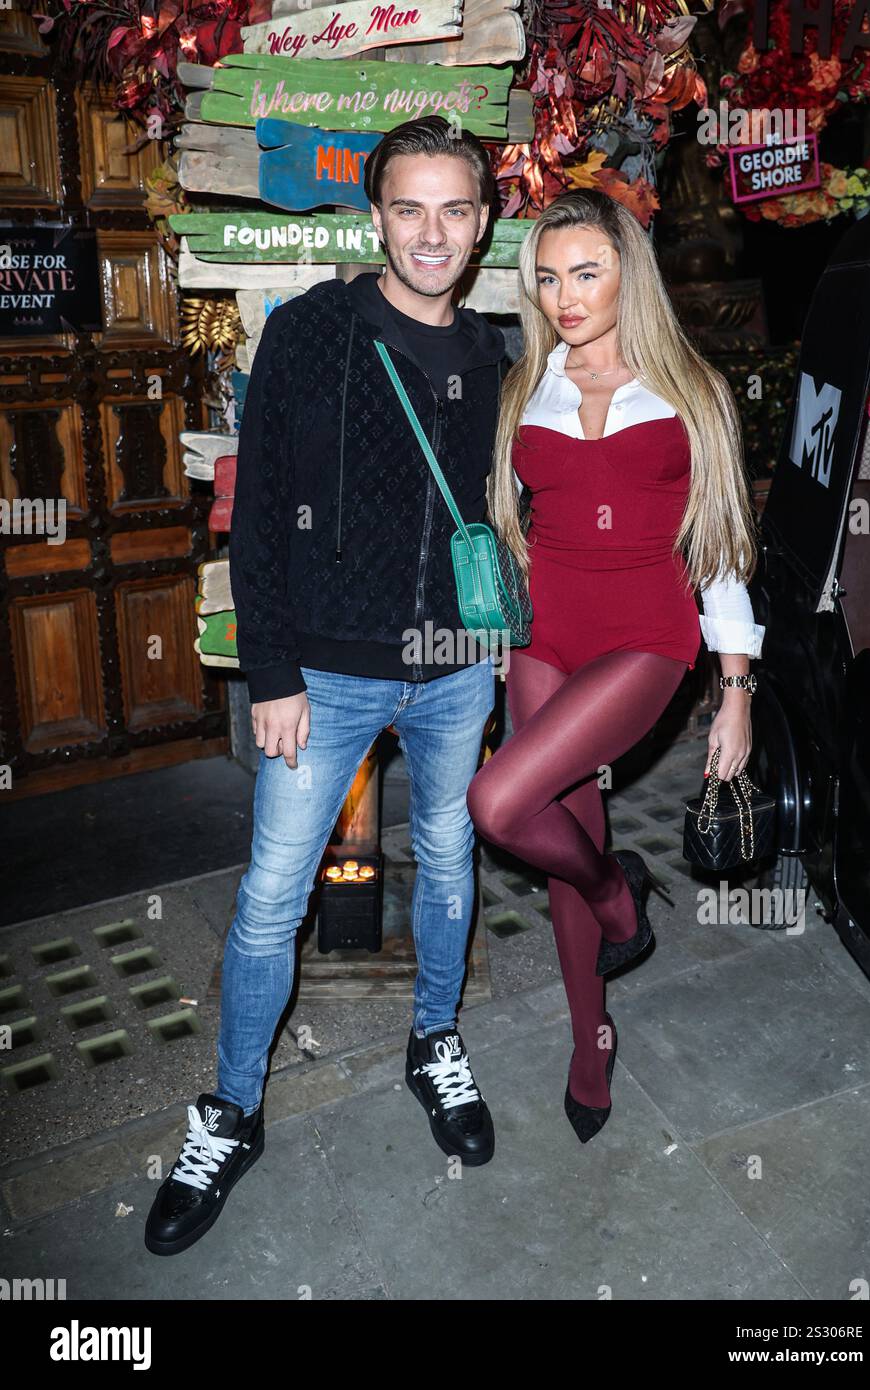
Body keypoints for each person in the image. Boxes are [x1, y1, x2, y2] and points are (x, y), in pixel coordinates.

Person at [145, 116, 507, 1257]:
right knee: (268, 900)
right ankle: (233, 1109)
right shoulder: (307, 335)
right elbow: (256, 522)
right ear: (375, 217)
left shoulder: (505, 350)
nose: (432, 232)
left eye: (455, 208)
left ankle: (432, 1040)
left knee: (450, 856)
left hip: (455, 674)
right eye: (409, 207)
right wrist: (274, 670)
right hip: (326, 679)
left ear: (484, 220)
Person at [466, 189, 765, 1144]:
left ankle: (610, 891)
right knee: (559, 828)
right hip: (542, 635)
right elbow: (503, 536)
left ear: (627, 273)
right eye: (549, 277)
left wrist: (735, 691)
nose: (565, 296)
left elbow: (717, 549)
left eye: (586, 273)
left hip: (645, 636)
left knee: (499, 804)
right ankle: (590, 1037)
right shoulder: (527, 388)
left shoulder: (689, 392)